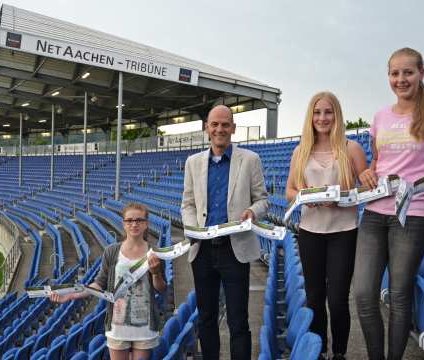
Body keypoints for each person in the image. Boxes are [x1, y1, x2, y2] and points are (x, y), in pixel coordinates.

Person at [354, 47, 424, 360]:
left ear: (421, 73)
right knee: (362, 293)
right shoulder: (380, 116)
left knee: (399, 294)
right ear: (388, 77)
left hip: (414, 215)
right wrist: (369, 172)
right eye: (395, 73)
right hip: (375, 212)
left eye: (408, 72)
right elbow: (378, 162)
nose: (401, 79)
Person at [181, 104, 268, 359]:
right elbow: (187, 203)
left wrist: (252, 212)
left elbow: (262, 200)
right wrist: (192, 227)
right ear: (207, 127)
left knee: (238, 320)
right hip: (203, 250)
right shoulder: (193, 163)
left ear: (233, 128)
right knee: (206, 318)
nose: (220, 129)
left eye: (225, 124)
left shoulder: (250, 159)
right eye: (215, 124)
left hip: (235, 249)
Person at [285, 91, 368, 360]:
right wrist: (304, 197)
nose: (322, 118)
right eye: (317, 112)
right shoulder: (301, 150)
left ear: (337, 115)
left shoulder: (351, 148)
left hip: (344, 232)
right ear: (311, 116)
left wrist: (341, 199)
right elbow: (289, 190)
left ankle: (340, 353)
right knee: (315, 297)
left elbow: (364, 191)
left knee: (338, 299)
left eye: (328, 112)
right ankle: (318, 351)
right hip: (310, 232)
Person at [50, 203, 166, 360]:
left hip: (144, 326)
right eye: (129, 220)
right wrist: (70, 295)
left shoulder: (155, 253)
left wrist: (156, 273)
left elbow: (162, 288)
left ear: (146, 223)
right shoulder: (112, 252)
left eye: (139, 220)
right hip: (118, 325)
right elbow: (98, 284)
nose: (134, 224)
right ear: (123, 223)